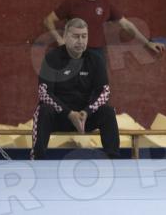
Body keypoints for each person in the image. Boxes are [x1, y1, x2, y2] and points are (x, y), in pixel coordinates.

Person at [32, 18, 120, 160]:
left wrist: (86, 112)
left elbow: (104, 92)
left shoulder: (96, 59)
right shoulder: (52, 58)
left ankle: (113, 159)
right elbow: (44, 93)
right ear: (65, 37)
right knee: (43, 110)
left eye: (84, 36)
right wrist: (69, 114)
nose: (80, 41)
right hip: (60, 117)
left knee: (108, 112)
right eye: (76, 36)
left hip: (84, 119)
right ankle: (37, 158)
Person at [44, 0, 165, 54]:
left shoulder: (106, 4)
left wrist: (147, 43)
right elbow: (48, 20)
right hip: (75, 52)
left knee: (100, 84)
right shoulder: (71, 3)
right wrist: (59, 39)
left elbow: (126, 25)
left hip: (97, 53)